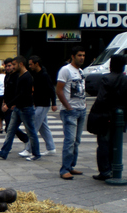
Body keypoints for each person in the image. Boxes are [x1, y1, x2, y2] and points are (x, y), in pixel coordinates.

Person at [0, 56, 41, 161]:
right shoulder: (18, 76)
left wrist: (9, 104)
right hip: (18, 108)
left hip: (26, 108)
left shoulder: (26, 77)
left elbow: (22, 94)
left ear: (21, 64)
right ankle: (4, 152)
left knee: (31, 131)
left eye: (14, 65)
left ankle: (36, 153)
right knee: (10, 130)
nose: (12, 67)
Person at [90, 55, 127, 180]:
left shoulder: (107, 78)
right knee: (115, 143)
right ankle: (113, 167)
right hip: (120, 116)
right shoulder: (125, 79)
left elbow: (101, 99)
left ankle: (105, 171)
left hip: (106, 116)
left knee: (104, 144)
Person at [56, 46, 86, 180]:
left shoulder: (80, 71)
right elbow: (59, 90)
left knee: (77, 141)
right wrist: (68, 107)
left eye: (83, 55)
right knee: (70, 141)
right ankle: (65, 169)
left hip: (81, 109)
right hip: (71, 111)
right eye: (79, 55)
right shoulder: (65, 70)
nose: (82, 58)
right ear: (73, 56)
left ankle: (71, 165)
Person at [19, 55, 57, 157]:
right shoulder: (37, 74)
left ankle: (28, 149)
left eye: (31, 64)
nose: (30, 66)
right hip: (39, 104)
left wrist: (54, 103)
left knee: (33, 126)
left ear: (37, 64)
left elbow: (51, 89)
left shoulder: (44, 75)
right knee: (43, 127)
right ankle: (51, 147)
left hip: (43, 104)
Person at [2, 57, 29, 145]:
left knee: (10, 127)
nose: (8, 68)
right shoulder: (7, 76)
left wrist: (13, 104)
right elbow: (6, 90)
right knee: (9, 127)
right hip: (8, 103)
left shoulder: (17, 76)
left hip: (14, 105)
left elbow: (18, 92)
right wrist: (4, 102)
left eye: (10, 65)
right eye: (6, 66)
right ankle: (6, 148)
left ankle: (26, 139)